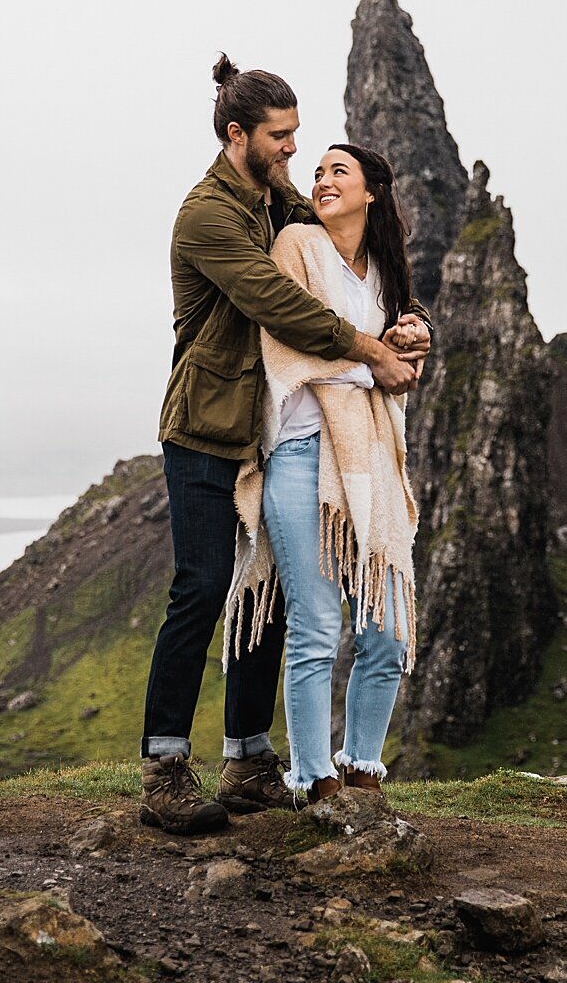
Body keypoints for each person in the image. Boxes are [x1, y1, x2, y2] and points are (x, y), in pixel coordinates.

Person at [141, 57, 431, 834]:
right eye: (281, 136)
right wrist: (371, 352)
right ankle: (165, 768)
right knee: (202, 587)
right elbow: (277, 299)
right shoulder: (209, 214)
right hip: (207, 425)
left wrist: (410, 322)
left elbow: (352, 262)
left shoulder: (279, 200)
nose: (294, 150)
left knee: (268, 593)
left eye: (297, 135)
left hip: (266, 429)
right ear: (239, 136)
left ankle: (246, 759)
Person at [226, 144, 421, 806]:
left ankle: (364, 766)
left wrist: (408, 343)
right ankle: (315, 780)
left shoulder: (385, 274)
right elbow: (289, 335)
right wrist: (375, 365)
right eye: (318, 172)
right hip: (300, 454)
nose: (322, 179)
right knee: (314, 627)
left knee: (387, 629)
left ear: (373, 190)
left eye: (340, 170)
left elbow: (396, 366)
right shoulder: (297, 244)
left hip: (367, 460)